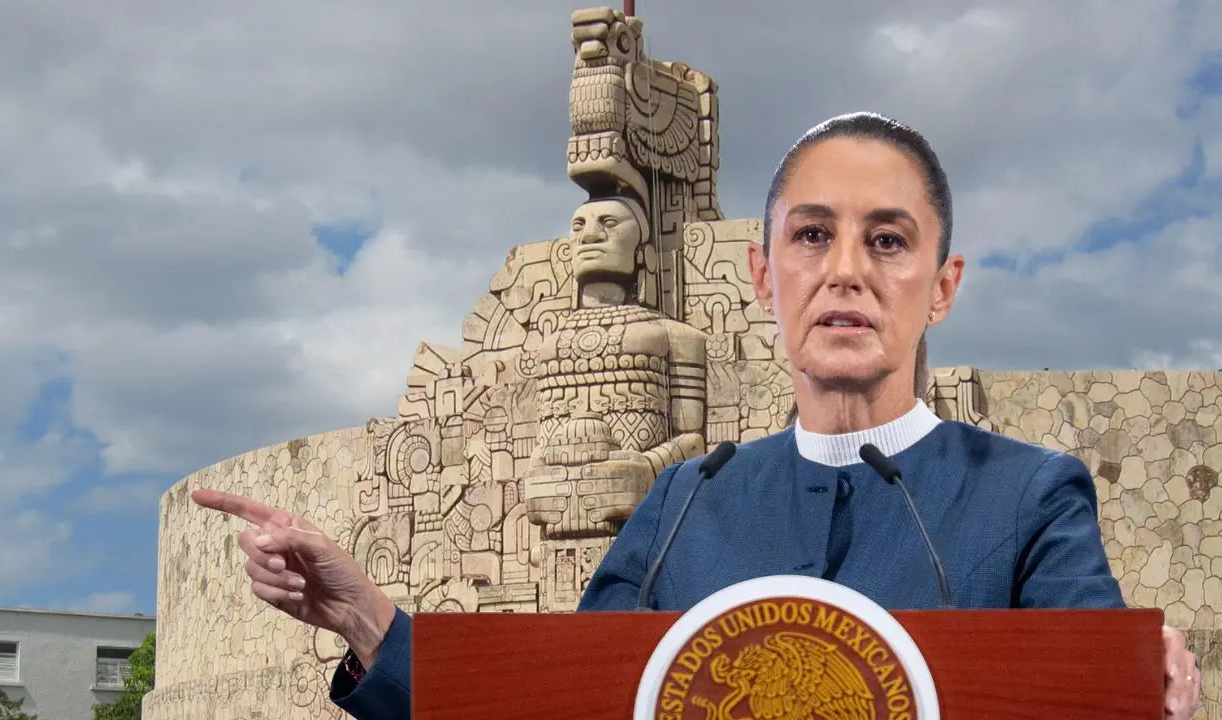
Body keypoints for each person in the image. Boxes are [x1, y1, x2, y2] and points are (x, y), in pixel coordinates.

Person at [192, 112, 1202, 719]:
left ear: (940, 286)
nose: (845, 270)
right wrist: (362, 615)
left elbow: (1092, 694)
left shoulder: (1028, 496)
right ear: (766, 276)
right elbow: (556, 706)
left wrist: (1139, 693)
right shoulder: (685, 501)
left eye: (886, 240)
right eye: (812, 236)